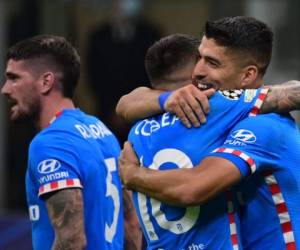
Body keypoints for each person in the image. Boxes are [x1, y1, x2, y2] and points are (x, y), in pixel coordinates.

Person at [117, 17, 300, 249]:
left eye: (212, 63)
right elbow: (125, 103)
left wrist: (133, 175)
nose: (198, 71)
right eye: (199, 57)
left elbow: (193, 188)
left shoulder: (263, 126)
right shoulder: (220, 117)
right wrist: (163, 98)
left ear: (247, 75)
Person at [1, 35, 124, 249]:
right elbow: (131, 224)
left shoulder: (50, 143)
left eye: (14, 78)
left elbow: (72, 240)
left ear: (46, 82)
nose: (5, 89)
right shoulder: (101, 131)